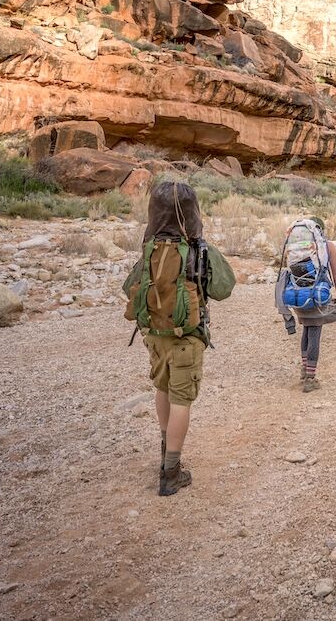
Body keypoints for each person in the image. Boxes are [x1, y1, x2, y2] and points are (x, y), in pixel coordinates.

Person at [124, 180, 233, 497]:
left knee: (162, 387)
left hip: (154, 334)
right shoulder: (199, 249)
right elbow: (223, 289)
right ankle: (171, 472)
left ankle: (164, 452)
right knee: (181, 400)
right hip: (187, 336)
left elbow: (129, 288)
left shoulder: (150, 248)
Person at [273, 216, 336, 392]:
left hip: (297, 295)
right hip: (316, 294)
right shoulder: (327, 246)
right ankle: (310, 379)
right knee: (314, 332)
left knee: (306, 328)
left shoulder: (297, 248)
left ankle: (304, 370)